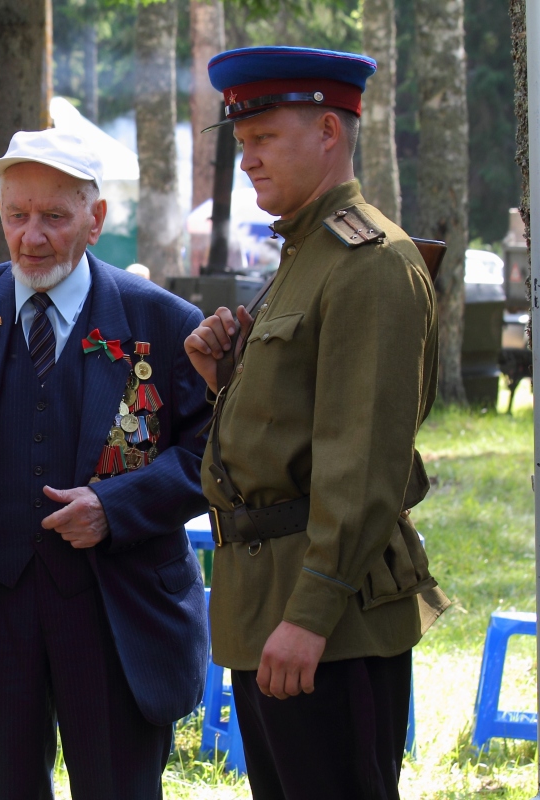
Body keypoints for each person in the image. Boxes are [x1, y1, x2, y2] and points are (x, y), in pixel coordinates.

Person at [0, 128, 211, 799]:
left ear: (96, 220)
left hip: (117, 613)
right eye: (17, 215)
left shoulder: (164, 321)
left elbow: (210, 456)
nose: (32, 237)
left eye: (55, 217)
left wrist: (116, 509)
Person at [184, 46, 450, 800]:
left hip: (324, 619)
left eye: (264, 140)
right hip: (269, 605)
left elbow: (362, 463)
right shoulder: (307, 252)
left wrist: (310, 613)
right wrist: (223, 381)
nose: (249, 163)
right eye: (243, 145)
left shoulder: (369, 263)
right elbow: (294, 430)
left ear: (329, 132)